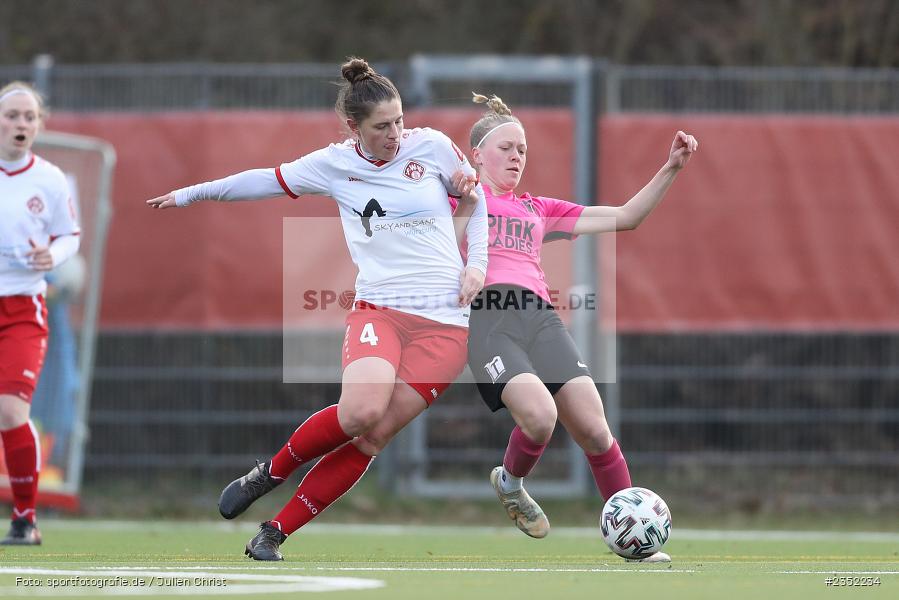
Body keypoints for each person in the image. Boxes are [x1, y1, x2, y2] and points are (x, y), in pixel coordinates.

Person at [146, 58, 488, 561]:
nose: (395, 134)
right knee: (361, 412)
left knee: (374, 437)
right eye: (382, 126)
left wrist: (476, 265)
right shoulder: (333, 164)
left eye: (399, 121)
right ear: (354, 127)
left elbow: (476, 201)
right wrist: (192, 194)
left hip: (446, 324)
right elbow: (263, 179)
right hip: (381, 310)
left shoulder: (432, 145)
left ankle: (273, 533)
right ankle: (270, 473)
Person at [455, 93, 697, 563]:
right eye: (506, 147)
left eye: (522, 149)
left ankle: (634, 541)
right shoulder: (459, 198)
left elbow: (626, 217)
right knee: (540, 418)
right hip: (490, 320)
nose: (517, 156)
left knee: (594, 429)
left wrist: (671, 167)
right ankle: (510, 483)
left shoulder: (537, 208)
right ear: (477, 155)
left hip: (541, 318)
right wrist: (461, 200)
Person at [0, 81, 81, 545]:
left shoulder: (49, 179)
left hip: (21, 309)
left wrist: (54, 254)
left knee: (11, 411)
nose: (21, 123)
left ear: (38, 125)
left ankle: (25, 519)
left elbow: (69, 235)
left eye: (29, 116)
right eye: (12, 115)